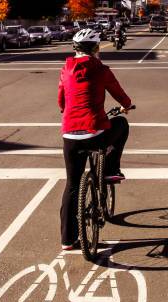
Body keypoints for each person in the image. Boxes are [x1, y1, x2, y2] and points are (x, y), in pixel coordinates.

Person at [57, 28, 133, 251]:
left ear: (75, 49)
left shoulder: (65, 70)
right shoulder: (101, 70)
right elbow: (120, 95)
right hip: (95, 132)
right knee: (121, 124)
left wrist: (68, 110)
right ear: (96, 49)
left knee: (72, 184)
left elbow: (61, 102)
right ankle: (110, 168)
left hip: (70, 135)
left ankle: (67, 240)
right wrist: (126, 106)